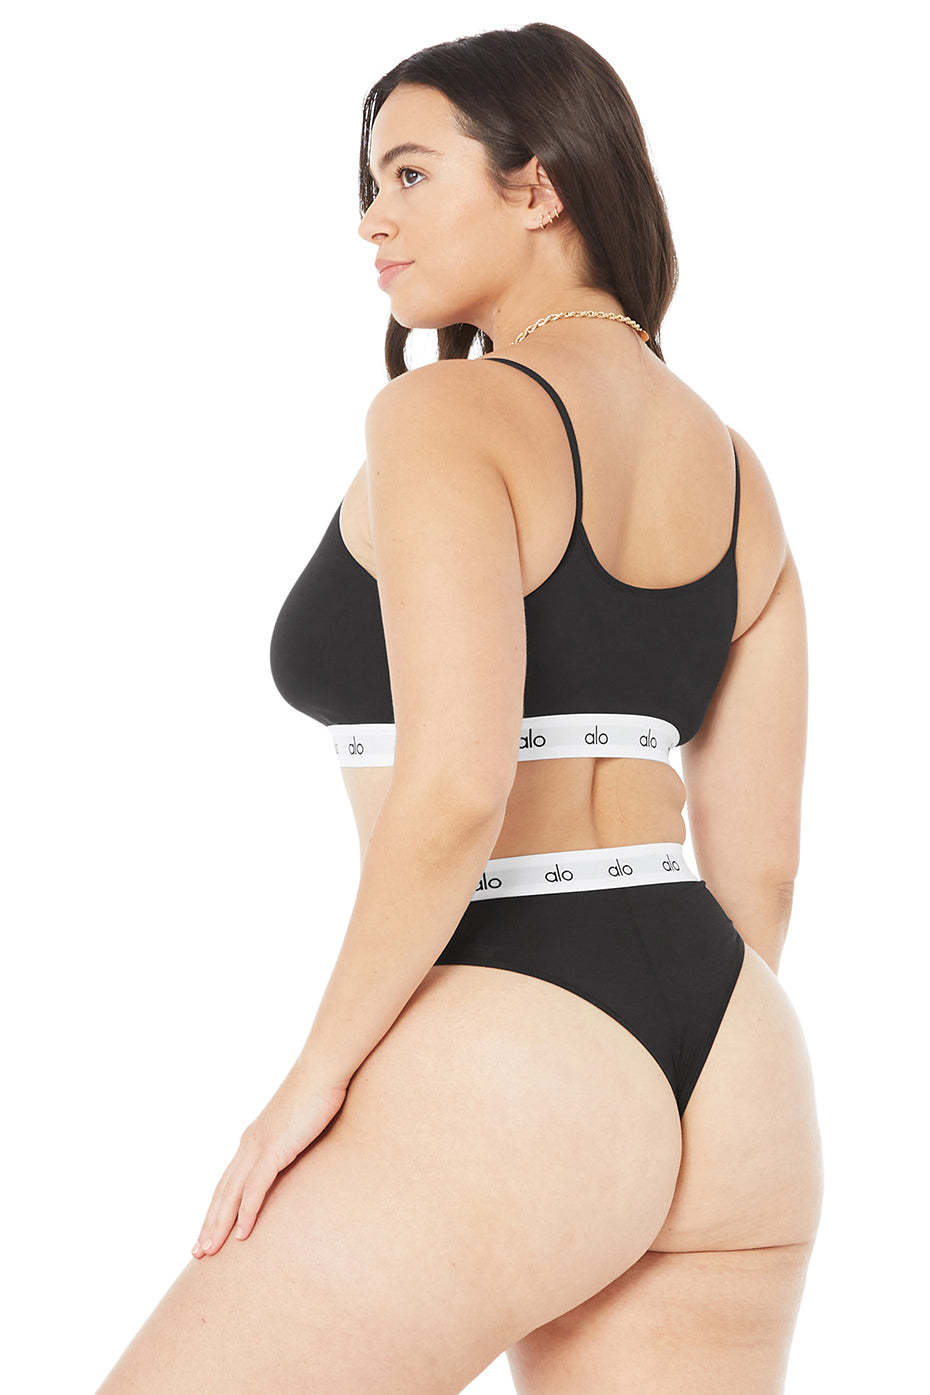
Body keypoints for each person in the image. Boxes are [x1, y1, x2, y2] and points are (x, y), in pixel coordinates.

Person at [97, 22, 823, 1394]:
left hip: (517, 1036)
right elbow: (764, 865)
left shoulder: (449, 414)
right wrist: (663, 1078)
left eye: (412, 173)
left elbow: (453, 792)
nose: (372, 220)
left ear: (536, 186)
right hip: (741, 1071)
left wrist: (314, 1081)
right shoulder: (738, 473)